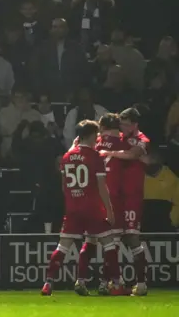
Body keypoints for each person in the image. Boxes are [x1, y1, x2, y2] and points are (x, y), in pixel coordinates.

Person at [41, 120, 116, 296]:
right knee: (109, 244)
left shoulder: (66, 156)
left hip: (73, 208)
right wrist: (109, 211)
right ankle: (112, 283)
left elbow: (63, 185)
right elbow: (102, 187)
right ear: (91, 136)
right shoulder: (95, 157)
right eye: (96, 135)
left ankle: (48, 283)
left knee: (62, 247)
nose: (98, 138)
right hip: (92, 208)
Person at [99, 107, 150, 296]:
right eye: (121, 124)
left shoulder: (141, 139)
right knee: (113, 239)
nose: (123, 127)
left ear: (135, 124)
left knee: (132, 237)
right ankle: (111, 282)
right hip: (117, 196)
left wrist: (109, 153)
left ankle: (142, 283)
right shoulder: (119, 138)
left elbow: (133, 154)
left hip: (132, 196)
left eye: (127, 124)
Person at [79, 113, 130, 296]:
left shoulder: (95, 143)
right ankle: (105, 283)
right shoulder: (124, 143)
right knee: (112, 243)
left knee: (90, 240)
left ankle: (81, 280)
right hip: (112, 198)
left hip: (92, 198)